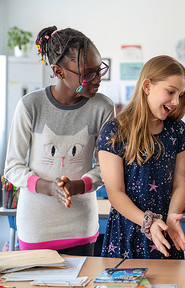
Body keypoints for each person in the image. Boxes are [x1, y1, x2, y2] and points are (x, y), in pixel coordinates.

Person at [3, 26, 115, 256]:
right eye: (87, 73)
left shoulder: (103, 108)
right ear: (59, 71)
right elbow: (12, 167)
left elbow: (107, 168)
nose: (97, 79)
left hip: (80, 224)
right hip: (36, 226)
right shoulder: (30, 105)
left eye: (99, 70)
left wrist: (78, 186)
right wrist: (48, 187)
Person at [98, 55, 185, 259]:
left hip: (165, 232)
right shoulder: (114, 131)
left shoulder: (177, 130)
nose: (176, 101)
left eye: (181, 95)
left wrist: (173, 217)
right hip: (128, 232)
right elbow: (115, 193)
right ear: (147, 86)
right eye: (171, 91)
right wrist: (148, 222)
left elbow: (180, 185)